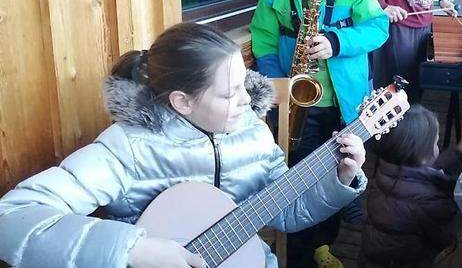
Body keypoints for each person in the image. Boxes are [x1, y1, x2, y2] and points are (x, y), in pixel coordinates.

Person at [0, 22, 368, 268]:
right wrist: (133, 248)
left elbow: (284, 213)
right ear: (182, 102)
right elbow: (11, 219)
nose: (246, 99)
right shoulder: (129, 148)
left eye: (245, 83)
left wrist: (338, 178)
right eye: (229, 93)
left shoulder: (253, 133)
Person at [250, 0, 389, 268]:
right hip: (296, 102)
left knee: (336, 174)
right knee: (296, 176)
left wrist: (338, 43)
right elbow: (263, 36)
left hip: (343, 104)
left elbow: (378, 28)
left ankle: (324, 245)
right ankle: (298, 249)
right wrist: (276, 82)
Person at [359, 105, 462, 268]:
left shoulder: (385, 175)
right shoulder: (428, 201)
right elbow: (447, 238)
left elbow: (423, 173)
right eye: (435, 143)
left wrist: (457, 152)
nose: (437, 148)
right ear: (420, 156)